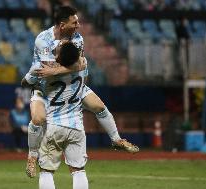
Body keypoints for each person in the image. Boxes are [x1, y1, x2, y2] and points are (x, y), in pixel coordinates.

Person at [22, 5, 139, 178]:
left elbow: (76, 64)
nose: (78, 26)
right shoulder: (43, 39)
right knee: (38, 119)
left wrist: (59, 69)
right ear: (62, 25)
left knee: (99, 106)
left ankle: (116, 140)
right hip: (44, 87)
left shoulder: (77, 38)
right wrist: (68, 67)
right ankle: (32, 155)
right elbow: (52, 69)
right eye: (74, 22)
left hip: (74, 84)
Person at [24, 40, 89, 189]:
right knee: (78, 170)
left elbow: (25, 82)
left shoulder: (42, 68)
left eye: (59, 48)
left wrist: (34, 81)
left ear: (58, 56)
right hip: (77, 127)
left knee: (46, 171)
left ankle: (34, 158)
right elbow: (79, 61)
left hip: (54, 126)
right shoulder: (82, 65)